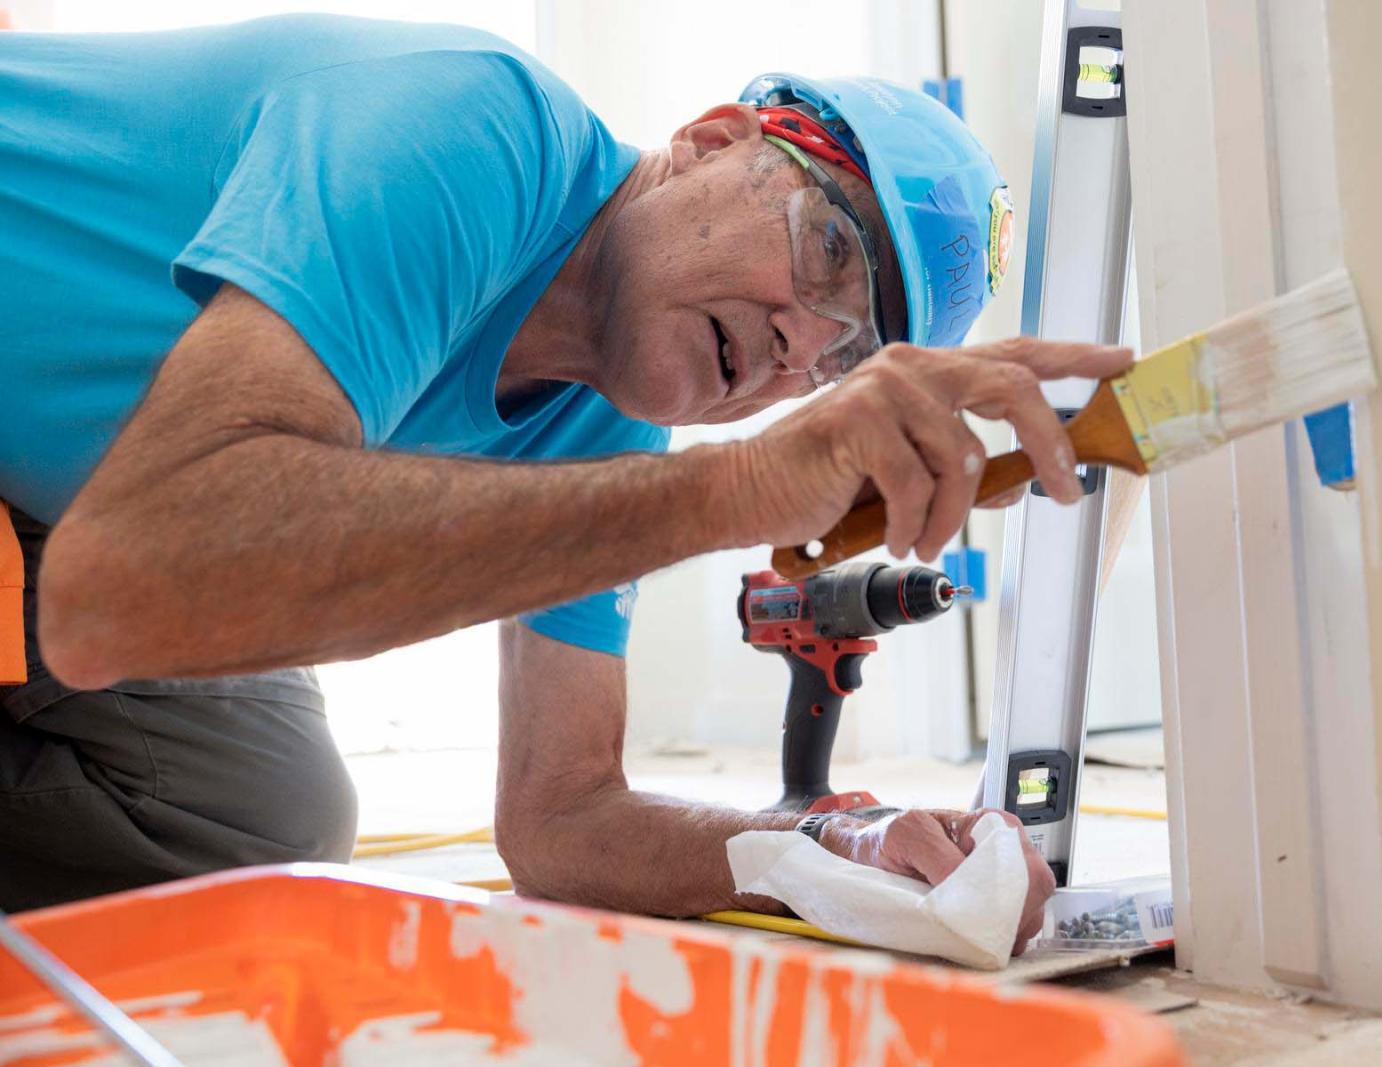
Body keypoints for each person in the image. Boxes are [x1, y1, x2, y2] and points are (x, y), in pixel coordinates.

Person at [0, 15, 1130, 953]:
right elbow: (125, 590)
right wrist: (730, 492)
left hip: (62, 509)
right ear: (711, 139)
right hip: (100, 526)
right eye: (828, 247)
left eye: (849, 352)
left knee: (253, 811)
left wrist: (830, 852)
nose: (803, 344)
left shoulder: (610, 425)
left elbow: (561, 818)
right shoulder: (463, 132)